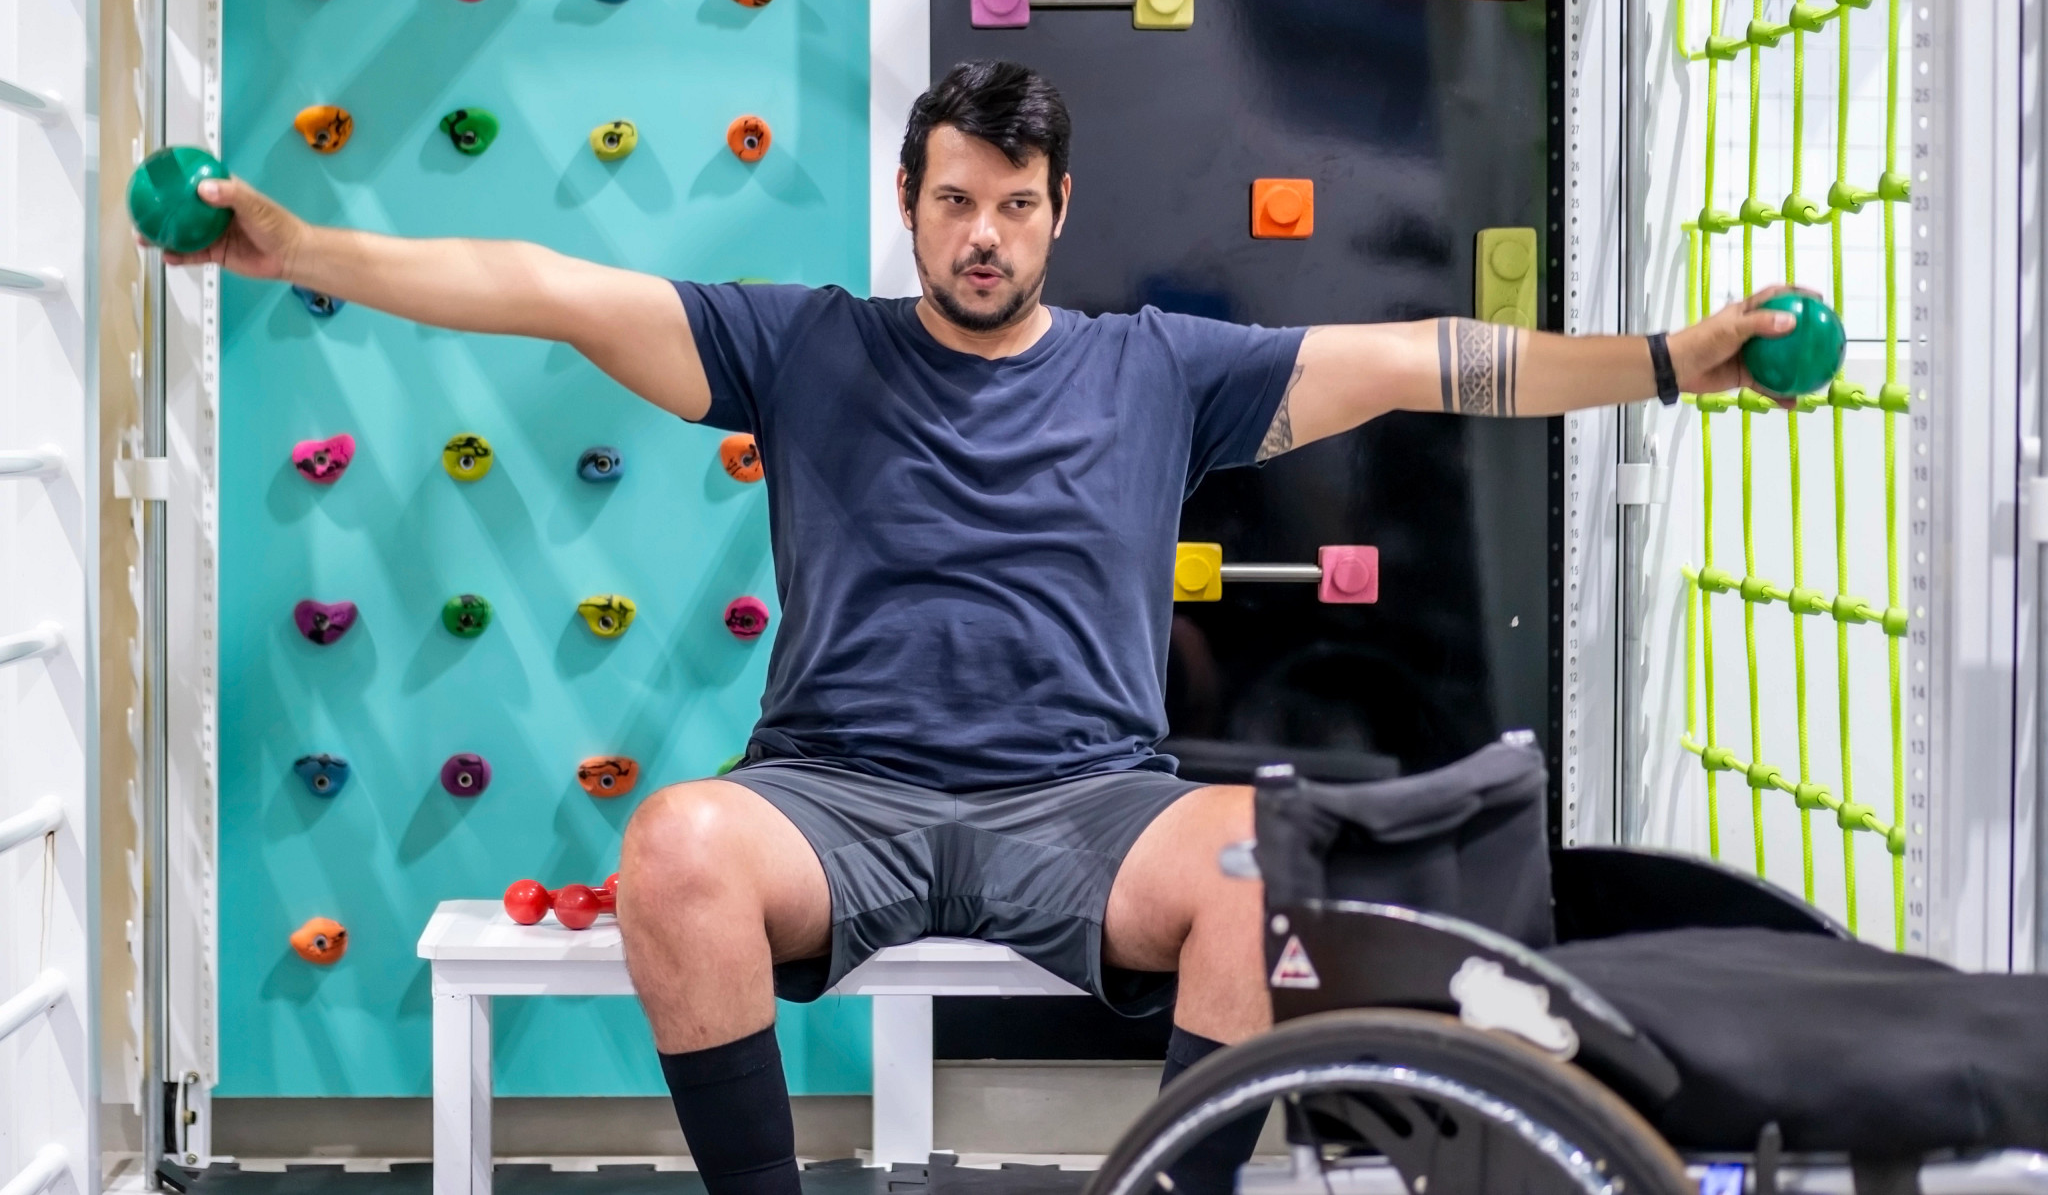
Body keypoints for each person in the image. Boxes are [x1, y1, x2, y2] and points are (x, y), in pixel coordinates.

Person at [163, 60, 1792, 1195]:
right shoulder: (802, 346)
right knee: (672, 848)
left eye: (1014, 203)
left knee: (1257, 858)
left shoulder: (1160, 369)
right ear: (910, 199)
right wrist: (304, 248)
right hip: (833, 793)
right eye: (956, 200)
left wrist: (1665, 361)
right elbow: (545, 286)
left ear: (1058, 207)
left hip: (1088, 801)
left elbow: (1433, 357)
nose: (984, 234)